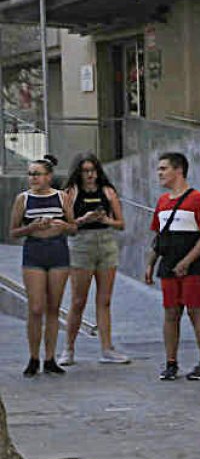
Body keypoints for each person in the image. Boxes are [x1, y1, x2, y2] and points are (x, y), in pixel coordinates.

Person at [143, 152, 200, 381]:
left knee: (196, 311)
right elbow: (159, 237)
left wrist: (187, 261)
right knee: (170, 313)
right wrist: (150, 264)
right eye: (159, 169)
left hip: (194, 267)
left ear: (178, 170)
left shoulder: (197, 199)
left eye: (163, 168)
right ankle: (171, 362)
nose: (159, 173)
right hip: (168, 265)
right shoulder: (162, 202)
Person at [59, 155, 129, 366]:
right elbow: (67, 227)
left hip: (106, 243)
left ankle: (107, 349)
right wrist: (83, 220)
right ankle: (68, 349)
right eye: (85, 171)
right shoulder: (71, 193)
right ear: (78, 173)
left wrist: (106, 219)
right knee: (78, 300)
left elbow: (121, 224)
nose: (90, 175)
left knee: (104, 299)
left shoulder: (107, 191)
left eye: (93, 170)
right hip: (82, 245)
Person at [8, 156, 75, 376]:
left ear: (48, 176)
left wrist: (63, 225)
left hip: (58, 250)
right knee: (36, 307)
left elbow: (73, 228)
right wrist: (32, 227)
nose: (32, 178)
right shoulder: (23, 199)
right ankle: (33, 357)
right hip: (34, 251)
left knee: (53, 307)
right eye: (30, 174)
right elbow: (13, 231)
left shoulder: (62, 197)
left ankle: (50, 358)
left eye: (37, 174)